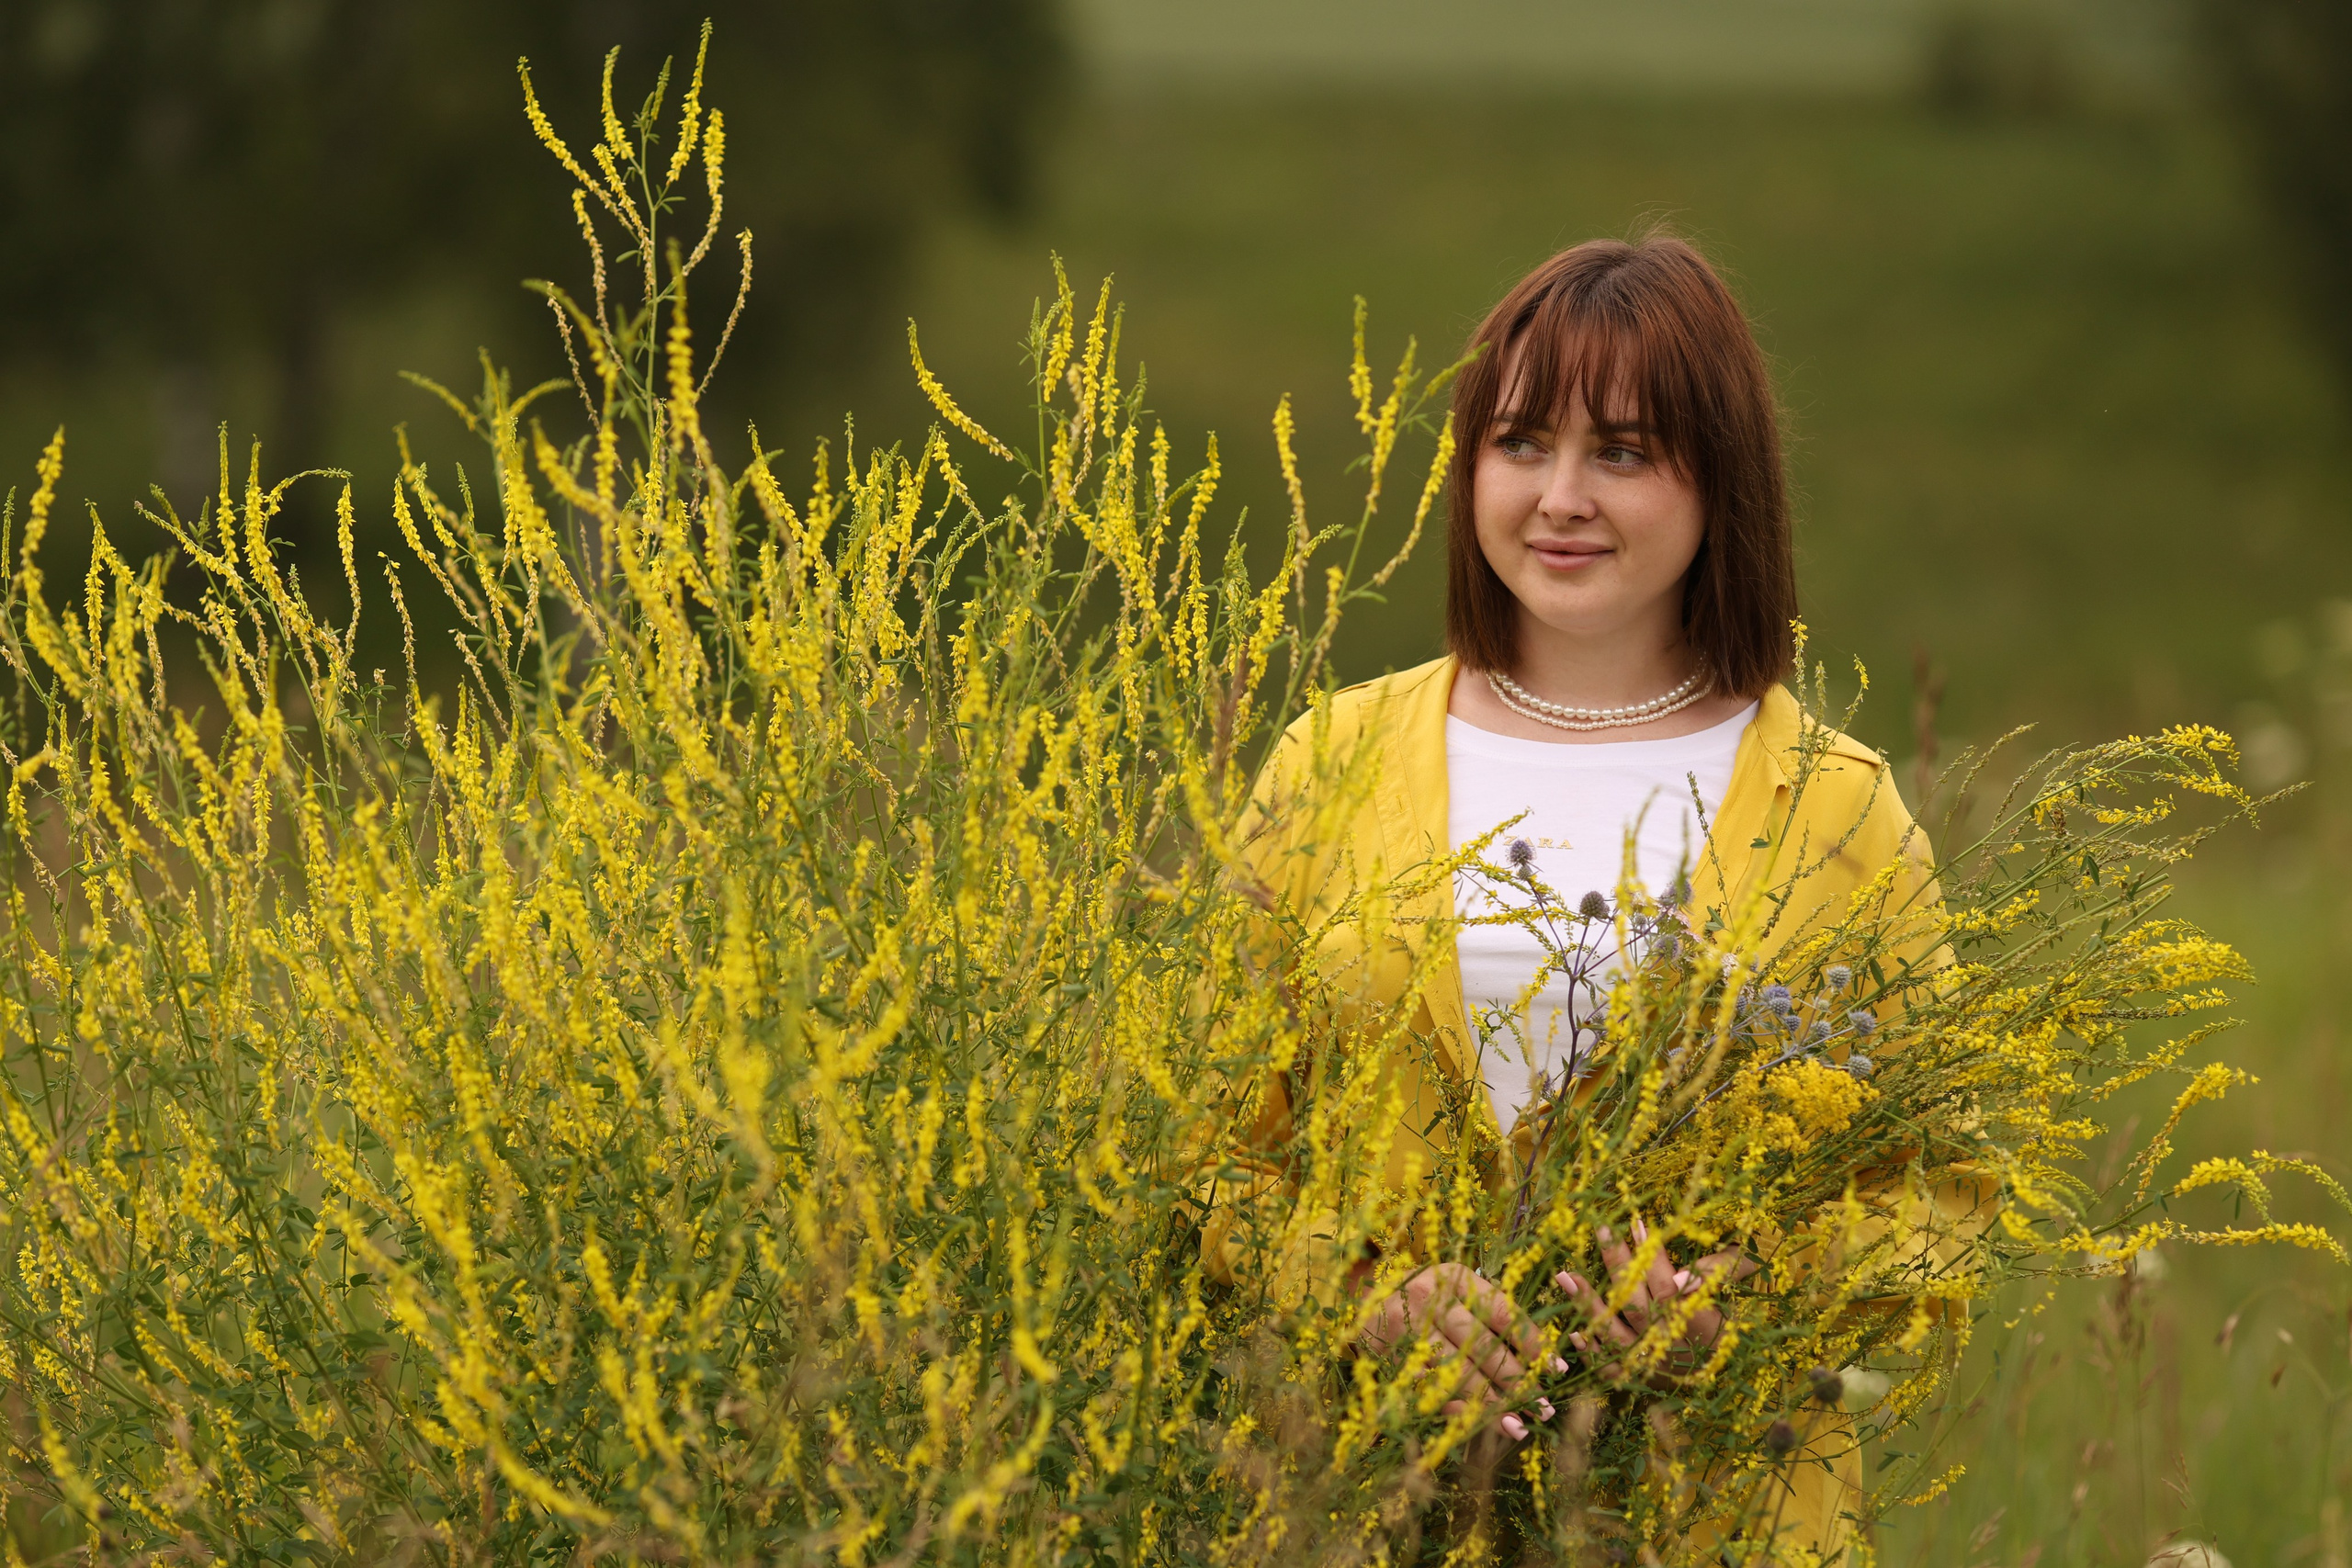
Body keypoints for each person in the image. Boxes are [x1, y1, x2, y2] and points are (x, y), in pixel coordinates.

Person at [1202, 231, 1953, 1554]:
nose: (1560, 496)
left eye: (1621, 451)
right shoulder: (1333, 761)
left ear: (1722, 478)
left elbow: (1939, 1195)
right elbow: (1207, 1159)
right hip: (1365, 1496)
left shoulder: (1840, 809)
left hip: (1719, 1506)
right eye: (1519, 444)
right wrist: (1370, 1298)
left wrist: (1745, 1301)